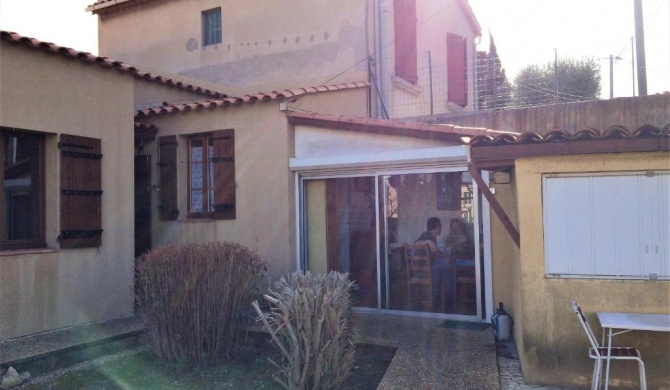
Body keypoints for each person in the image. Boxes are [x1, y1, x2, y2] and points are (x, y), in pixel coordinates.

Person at [414, 217, 453, 310]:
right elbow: (416, 243)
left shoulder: (432, 237)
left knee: (445, 265)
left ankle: (444, 296)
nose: (441, 228)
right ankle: (444, 297)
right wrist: (427, 241)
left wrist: (445, 256)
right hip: (421, 271)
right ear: (437, 227)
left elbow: (436, 251)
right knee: (445, 267)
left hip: (426, 268)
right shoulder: (427, 236)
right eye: (440, 226)